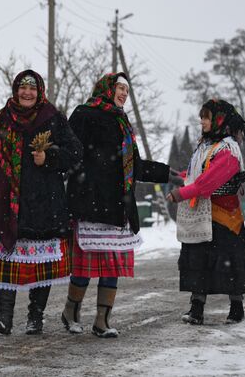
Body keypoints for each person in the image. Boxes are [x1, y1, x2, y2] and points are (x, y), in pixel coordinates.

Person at [63, 72, 170, 338]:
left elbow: (134, 165)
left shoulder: (123, 122)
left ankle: (102, 321)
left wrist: (168, 174)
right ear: (107, 88)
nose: (123, 93)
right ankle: (70, 311)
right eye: (120, 88)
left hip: (117, 206)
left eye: (126, 90)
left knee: (111, 266)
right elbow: (69, 151)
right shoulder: (84, 114)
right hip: (89, 203)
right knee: (85, 267)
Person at [0, 69, 82, 335]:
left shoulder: (53, 119)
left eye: (32, 89)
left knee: (40, 263)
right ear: (15, 90)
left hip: (44, 203)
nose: (27, 93)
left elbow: (75, 153)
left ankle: (36, 316)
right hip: (7, 202)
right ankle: (4, 318)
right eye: (23, 88)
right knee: (7, 260)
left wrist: (50, 157)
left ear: (40, 92)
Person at [166, 99, 245, 325]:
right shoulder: (205, 147)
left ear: (219, 119)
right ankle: (196, 308)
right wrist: (174, 175)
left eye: (207, 117)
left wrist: (180, 194)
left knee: (229, 262)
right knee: (200, 261)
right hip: (204, 215)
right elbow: (196, 175)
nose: (202, 121)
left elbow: (206, 183)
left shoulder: (228, 150)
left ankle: (236, 308)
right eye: (202, 117)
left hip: (225, 218)